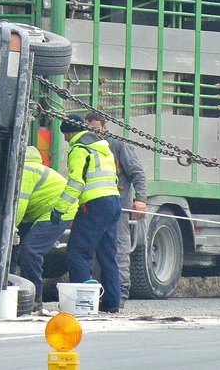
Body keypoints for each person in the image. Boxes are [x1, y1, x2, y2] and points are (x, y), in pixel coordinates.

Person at [52, 113, 122, 313]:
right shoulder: (101, 146)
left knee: (77, 253)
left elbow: (76, 183)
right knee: (107, 255)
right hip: (113, 202)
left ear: (71, 131)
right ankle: (111, 303)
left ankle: (82, 305)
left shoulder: (79, 149)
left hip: (94, 204)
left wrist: (59, 209)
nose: (66, 139)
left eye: (66, 135)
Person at [85, 111, 147, 307]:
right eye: (89, 129)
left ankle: (120, 295)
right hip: (96, 207)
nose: (93, 132)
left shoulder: (118, 145)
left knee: (119, 250)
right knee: (96, 253)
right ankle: (99, 295)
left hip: (118, 207)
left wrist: (140, 200)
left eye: (95, 128)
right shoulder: (85, 147)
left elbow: (138, 174)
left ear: (104, 127)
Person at [11, 146, 74, 313]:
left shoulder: (25, 171)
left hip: (57, 211)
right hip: (39, 211)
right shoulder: (27, 168)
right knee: (11, 249)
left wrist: (11, 228)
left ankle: (33, 300)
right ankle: (9, 291)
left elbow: (19, 206)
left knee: (30, 251)